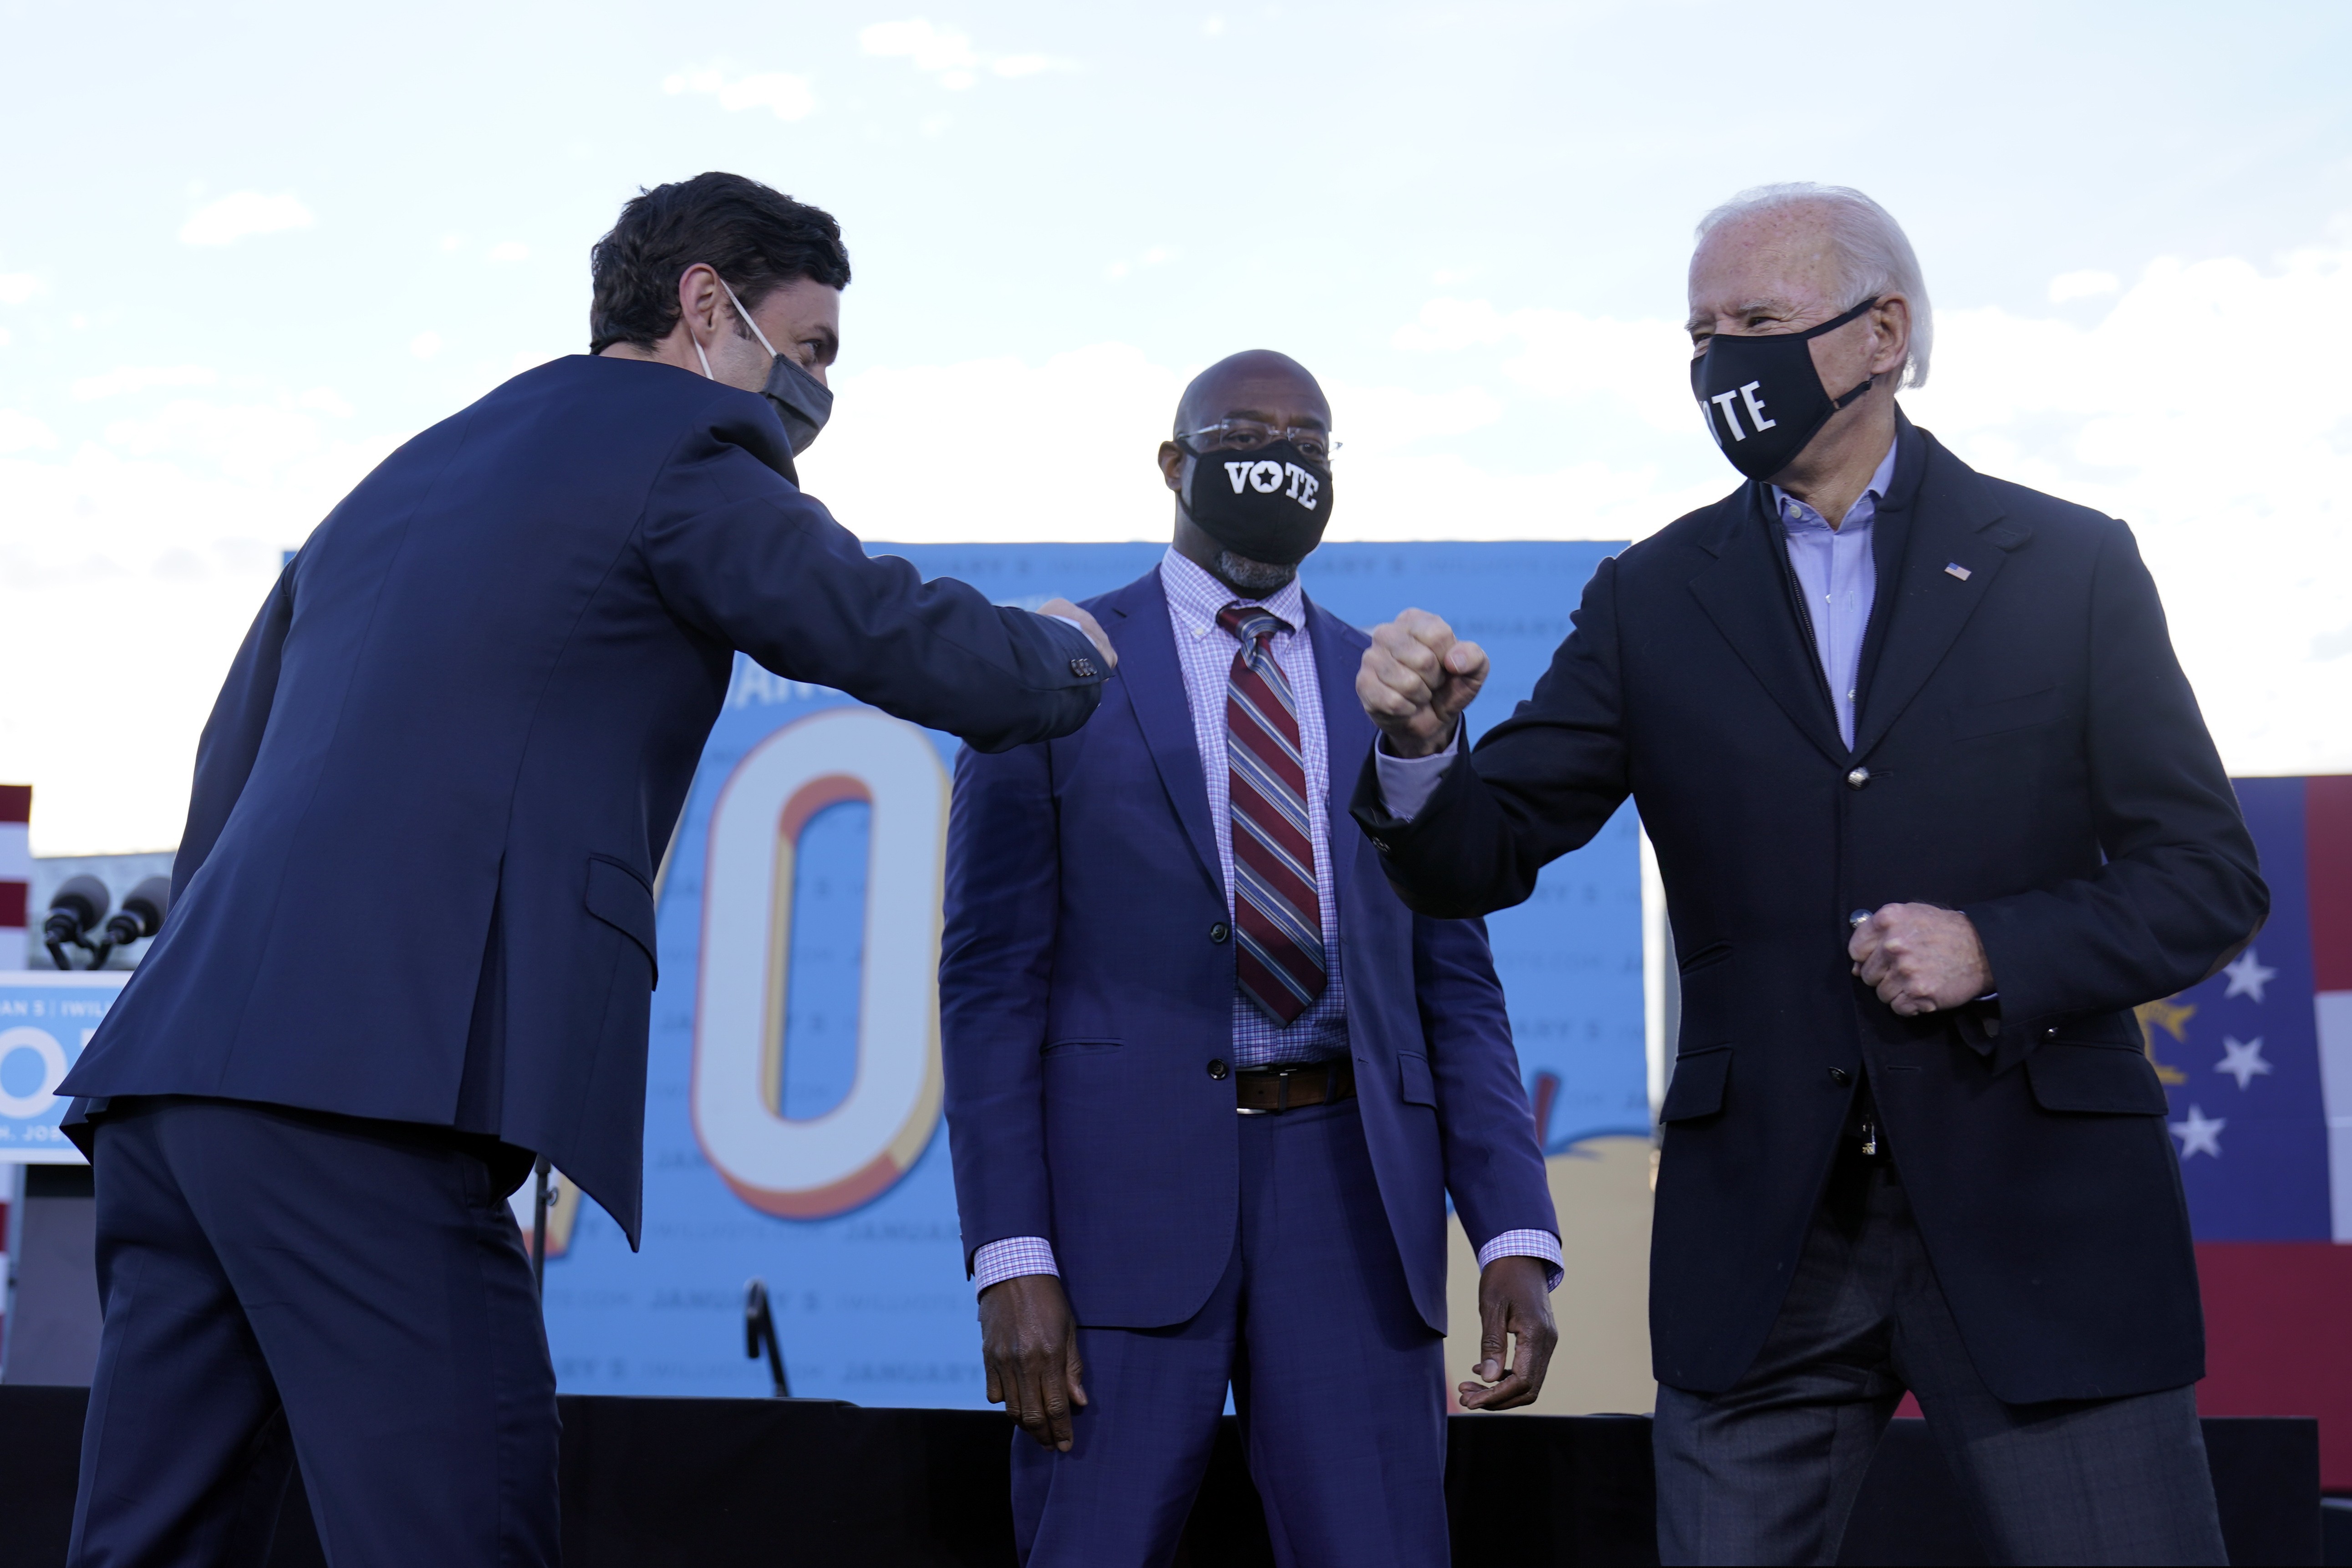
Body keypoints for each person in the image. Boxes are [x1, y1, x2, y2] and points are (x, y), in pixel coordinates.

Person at [56, 171, 1117, 1566]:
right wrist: (1063, 659)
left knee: (147, 1542)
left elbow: (228, 766)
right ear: (704, 306)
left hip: (174, 1090)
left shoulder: (397, 480)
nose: (813, 390)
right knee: (461, 1528)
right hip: (367, 1102)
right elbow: (874, 622)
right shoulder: (682, 447)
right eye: (807, 347)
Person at [1352, 185, 2265, 1566]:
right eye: (1700, 334)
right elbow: (1482, 848)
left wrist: (1996, 948)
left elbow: (2205, 876)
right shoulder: (1650, 596)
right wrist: (1422, 751)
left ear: (1881, 333)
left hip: (2037, 1216)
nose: (1722, 361)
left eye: (1757, 322)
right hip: (1763, 1244)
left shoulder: (2068, 565)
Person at [939, 349, 1561, 1568]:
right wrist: (1009, 1255)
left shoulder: (1391, 690)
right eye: (1244, 435)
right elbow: (990, 987)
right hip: (1116, 1217)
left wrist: (1512, 1235)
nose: (1280, 460)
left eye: (1308, 443)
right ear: (1173, 463)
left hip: (1352, 1202)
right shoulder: (1052, 665)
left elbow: (1456, 991)